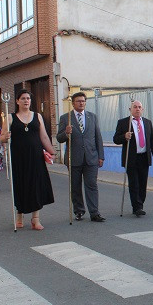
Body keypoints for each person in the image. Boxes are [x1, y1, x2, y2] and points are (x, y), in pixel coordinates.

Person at [1, 89, 55, 229]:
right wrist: (5, 137)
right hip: (19, 157)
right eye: (23, 98)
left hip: (35, 156)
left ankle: (35, 219)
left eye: (28, 98)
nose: (26, 101)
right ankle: (19, 215)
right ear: (17, 101)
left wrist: (51, 151)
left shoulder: (37, 116)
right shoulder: (10, 117)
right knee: (21, 185)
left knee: (36, 185)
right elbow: (1, 137)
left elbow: (43, 136)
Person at [56, 92, 105, 222]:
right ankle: (79, 211)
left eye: (83, 101)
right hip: (74, 158)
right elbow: (59, 138)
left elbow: (98, 137)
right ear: (73, 103)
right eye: (78, 101)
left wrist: (101, 156)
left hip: (91, 157)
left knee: (92, 185)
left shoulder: (92, 117)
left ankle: (94, 212)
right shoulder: (65, 118)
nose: (81, 103)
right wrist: (66, 133)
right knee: (75, 186)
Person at [113, 100, 153, 216]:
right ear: (130, 109)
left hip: (144, 157)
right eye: (135, 107)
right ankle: (137, 207)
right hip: (131, 157)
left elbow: (152, 141)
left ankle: (140, 204)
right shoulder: (124, 123)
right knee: (134, 183)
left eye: (139, 107)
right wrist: (124, 136)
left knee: (143, 183)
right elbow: (116, 139)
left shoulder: (147, 123)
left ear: (142, 109)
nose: (137, 109)